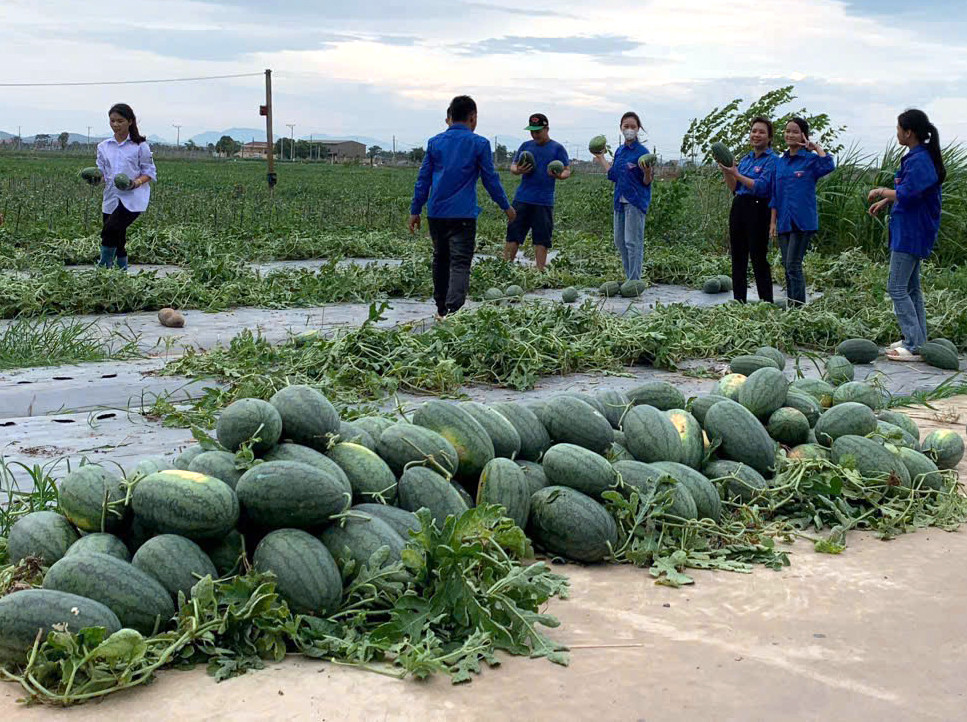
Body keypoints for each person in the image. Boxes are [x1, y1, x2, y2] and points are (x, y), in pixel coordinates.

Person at [409, 95, 515, 317]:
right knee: (460, 262)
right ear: (473, 118)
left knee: (440, 259)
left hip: (436, 213)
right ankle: (453, 309)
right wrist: (506, 206)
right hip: (463, 215)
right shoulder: (479, 144)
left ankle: (441, 309)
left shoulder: (435, 143)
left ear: (450, 117)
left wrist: (415, 210)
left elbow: (423, 180)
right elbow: (490, 179)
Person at [868, 109, 945, 361]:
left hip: (913, 231)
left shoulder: (920, 160)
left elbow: (910, 193)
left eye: (899, 128)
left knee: (896, 287)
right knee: (911, 287)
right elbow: (906, 193)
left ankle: (913, 345)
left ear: (908, 132)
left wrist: (881, 191)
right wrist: (886, 202)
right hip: (909, 228)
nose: (897, 132)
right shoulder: (916, 157)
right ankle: (918, 339)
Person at [769, 118, 835, 305]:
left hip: (802, 220)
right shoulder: (780, 163)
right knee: (787, 266)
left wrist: (815, 147)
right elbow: (775, 194)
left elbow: (829, 165)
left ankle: (798, 308)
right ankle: (792, 304)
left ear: (803, 135)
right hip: (784, 221)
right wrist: (772, 222)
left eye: (795, 132)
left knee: (793, 265)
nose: (790, 135)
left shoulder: (810, 160)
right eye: (787, 131)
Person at [503, 113, 571, 271]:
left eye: (538, 131)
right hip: (522, 199)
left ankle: (540, 271)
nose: (534, 134)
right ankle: (505, 268)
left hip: (543, 201)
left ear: (547, 129)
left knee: (542, 238)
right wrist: (518, 170)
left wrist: (559, 175)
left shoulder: (557, 148)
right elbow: (513, 166)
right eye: (532, 131)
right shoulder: (526, 146)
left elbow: (567, 170)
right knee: (513, 234)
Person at [719, 118, 776, 303]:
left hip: (759, 208)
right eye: (753, 131)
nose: (756, 135)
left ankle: (766, 302)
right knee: (738, 256)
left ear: (769, 137)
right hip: (740, 206)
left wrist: (737, 174)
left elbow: (761, 187)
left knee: (758, 257)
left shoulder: (772, 161)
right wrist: (728, 172)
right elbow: (734, 187)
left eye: (761, 132)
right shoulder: (746, 159)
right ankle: (739, 301)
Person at [591, 111, 653, 281]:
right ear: (621, 128)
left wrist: (647, 173)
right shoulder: (619, 151)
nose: (629, 130)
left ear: (638, 129)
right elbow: (614, 175)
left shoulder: (642, 152)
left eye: (633, 126)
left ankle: (634, 281)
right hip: (619, 201)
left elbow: (647, 181)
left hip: (635, 201)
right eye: (626, 126)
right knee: (620, 241)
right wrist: (601, 158)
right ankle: (629, 278)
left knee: (632, 242)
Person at [95, 103, 156, 270]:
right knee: (118, 237)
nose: (115, 125)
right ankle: (121, 272)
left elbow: (149, 172)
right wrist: (96, 179)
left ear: (130, 121)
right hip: (111, 196)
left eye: (120, 121)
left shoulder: (140, 146)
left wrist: (134, 183)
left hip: (133, 198)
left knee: (109, 231)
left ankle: (103, 267)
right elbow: (102, 173)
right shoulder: (103, 147)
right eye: (112, 121)